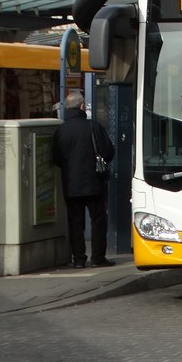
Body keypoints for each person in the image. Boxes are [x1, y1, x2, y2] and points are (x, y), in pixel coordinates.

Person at [51, 91, 116, 268]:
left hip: (70, 184)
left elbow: (55, 158)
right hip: (93, 183)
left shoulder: (61, 130)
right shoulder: (93, 127)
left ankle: (79, 259)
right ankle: (98, 257)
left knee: (75, 222)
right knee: (98, 219)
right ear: (81, 106)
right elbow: (108, 152)